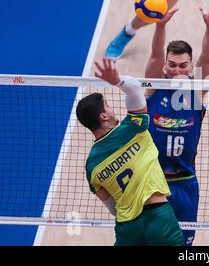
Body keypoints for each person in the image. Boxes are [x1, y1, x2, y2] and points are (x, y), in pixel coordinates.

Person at [143, 0, 209, 246]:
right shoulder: (152, 89)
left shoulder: (195, 93)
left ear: (191, 68)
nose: (177, 70)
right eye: (172, 65)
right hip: (152, 183)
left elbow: (208, 58)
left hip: (185, 184)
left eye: (183, 66)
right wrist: (160, 27)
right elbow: (155, 55)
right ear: (164, 67)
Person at [76, 58, 185, 246]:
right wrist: (117, 80)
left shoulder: (91, 166)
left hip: (127, 229)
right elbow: (134, 88)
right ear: (103, 116)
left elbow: (112, 208)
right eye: (107, 105)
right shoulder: (133, 128)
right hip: (159, 218)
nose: (111, 108)